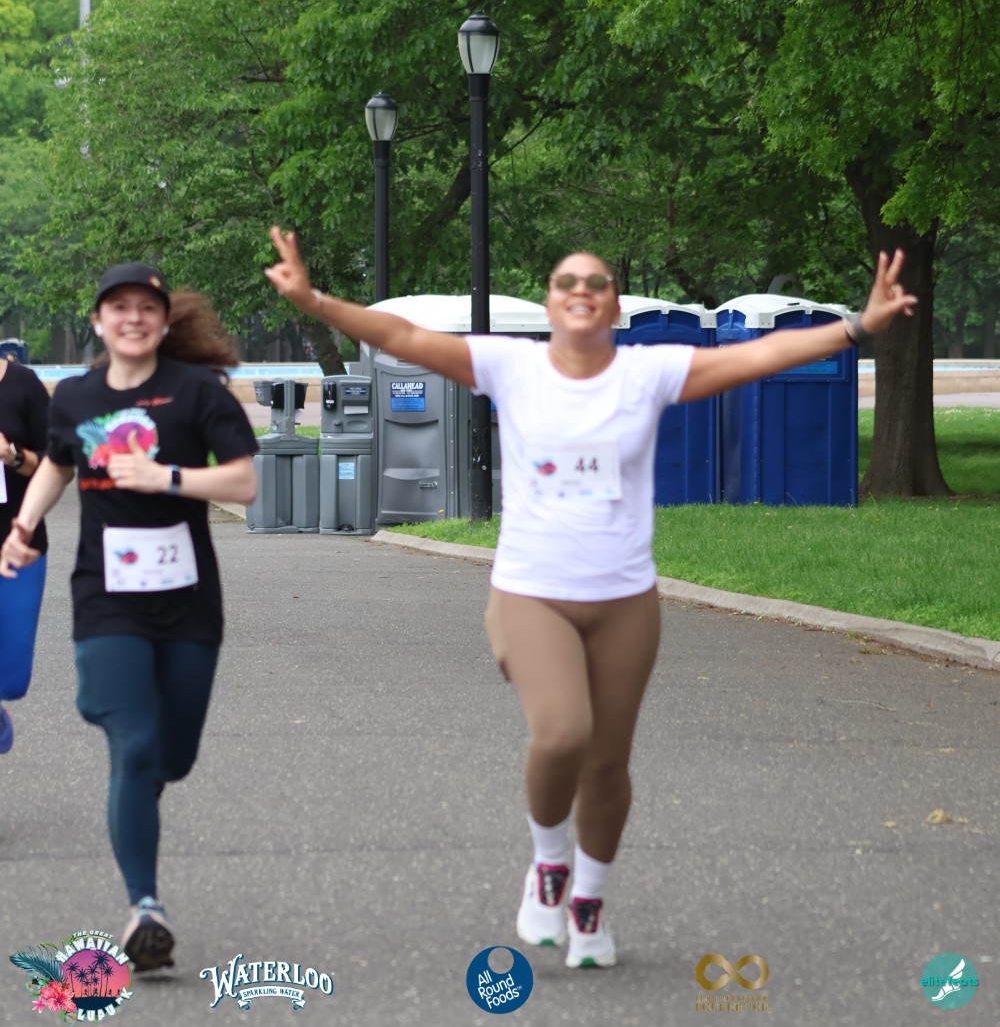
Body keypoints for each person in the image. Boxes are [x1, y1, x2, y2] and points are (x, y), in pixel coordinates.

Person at [264, 228, 915, 970]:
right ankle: (549, 864)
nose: (581, 291)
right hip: (531, 595)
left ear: (612, 306)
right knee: (562, 734)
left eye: (596, 283)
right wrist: (315, 301)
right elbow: (404, 336)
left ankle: (591, 901)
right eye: (566, 282)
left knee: (608, 764)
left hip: (624, 601)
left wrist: (857, 327)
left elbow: (756, 357)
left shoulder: (647, 373)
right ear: (549, 303)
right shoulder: (512, 366)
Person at [0, 265, 258, 973]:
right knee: (135, 745)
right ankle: (145, 907)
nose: (133, 317)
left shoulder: (196, 391)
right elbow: (57, 464)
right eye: (119, 307)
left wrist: (168, 478)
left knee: (172, 757)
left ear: (164, 321)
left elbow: (243, 481)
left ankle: (140, 772)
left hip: (187, 599)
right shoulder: (77, 398)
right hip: (106, 598)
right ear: (98, 321)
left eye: (147, 307)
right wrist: (23, 526)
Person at [0, 354, 51, 754]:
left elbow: (55, 466)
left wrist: (12, 456)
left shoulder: (23, 384)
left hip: (17, 542)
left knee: (12, 678)